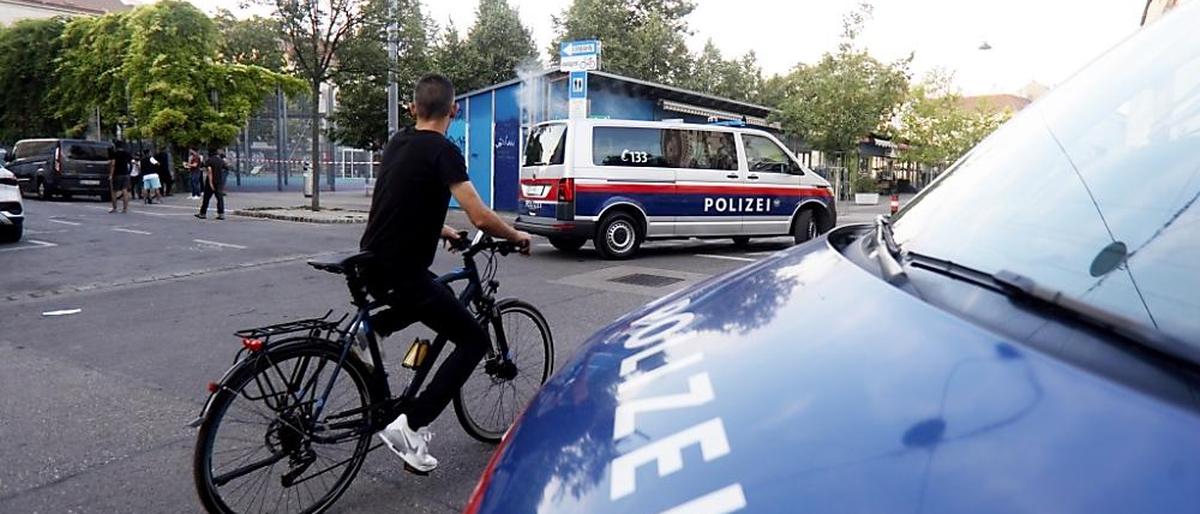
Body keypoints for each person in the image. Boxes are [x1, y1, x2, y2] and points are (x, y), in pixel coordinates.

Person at [360, 74, 531, 473]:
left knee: (431, 295)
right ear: (453, 110)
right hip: (402, 270)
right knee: (473, 338)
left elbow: (399, 202)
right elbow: (481, 215)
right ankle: (410, 427)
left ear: (414, 109)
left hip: (372, 262)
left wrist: (444, 230)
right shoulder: (443, 150)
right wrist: (517, 234)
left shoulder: (398, 143)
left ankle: (370, 334)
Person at [195, 149, 226, 220]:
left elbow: (209, 170)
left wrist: (211, 182)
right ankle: (221, 214)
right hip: (219, 182)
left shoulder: (209, 161)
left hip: (210, 182)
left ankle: (203, 213)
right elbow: (225, 167)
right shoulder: (220, 161)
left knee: (206, 198)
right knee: (219, 198)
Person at [108, 141, 133, 213]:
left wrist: (111, 175)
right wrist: (129, 172)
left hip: (117, 174)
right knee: (125, 190)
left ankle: (114, 208)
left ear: (116, 146)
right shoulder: (127, 153)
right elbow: (132, 162)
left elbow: (113, 164)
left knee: (114, 191)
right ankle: (125, 209)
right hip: (126, 174)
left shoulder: (114, 154)